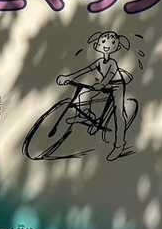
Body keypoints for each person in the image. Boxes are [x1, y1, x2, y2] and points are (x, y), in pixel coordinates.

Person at [57, 31, 134, 160]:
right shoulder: (99, 61)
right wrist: (69, 77)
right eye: (103, 42)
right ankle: (89, 118)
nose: (107, 45)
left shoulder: (112, 63)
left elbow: (110, 74)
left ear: (117, 46)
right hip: (103, 85)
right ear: (98, 44)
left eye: (112, 43)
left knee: (118, 115)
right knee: (84, 96)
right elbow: (86, 69)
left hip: (117, 86)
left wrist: (102, 84)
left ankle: (119, 144)